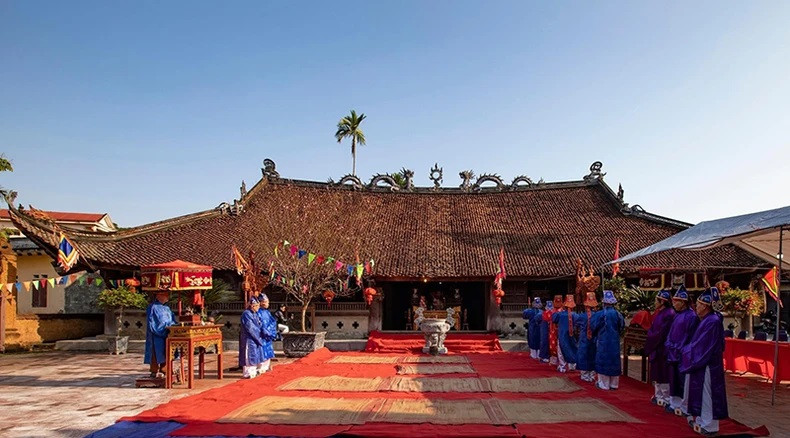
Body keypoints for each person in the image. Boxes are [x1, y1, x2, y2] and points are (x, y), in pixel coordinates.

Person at [680, 289, 728, 436]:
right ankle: (701, 420)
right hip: (702, 361)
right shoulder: (707, 320)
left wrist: (688, 352)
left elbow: (703, 345)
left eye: (699, 305)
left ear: (706, 306)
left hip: (707, 364)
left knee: (707, 393)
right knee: (700, 393)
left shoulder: (712, 321)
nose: (696, 307)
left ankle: (709, 425)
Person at [665, 287, 699, 417]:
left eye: (676, 301)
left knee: (683, 381)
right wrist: (668, 344)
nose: (673, 304)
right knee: (674, 379)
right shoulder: (677, 315)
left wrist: (680, 348)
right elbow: (671, 333)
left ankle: (684, 405)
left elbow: (690, 336)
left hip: (682, 353)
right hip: (673, 351)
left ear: (683, 302)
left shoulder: (692, 317)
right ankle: (674, 403)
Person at [644, 289, 676, 407]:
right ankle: (658, 395)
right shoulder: (660, 313)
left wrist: (651, 339)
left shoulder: (669, 313)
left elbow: (661, 332)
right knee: (657, 371)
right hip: (657, 346)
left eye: (656, 300)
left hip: (662, 347)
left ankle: (665, 397)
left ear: (662, 301)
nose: (654, 302)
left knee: (663, 372)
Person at [592, 290, 624, 390]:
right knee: (614, 360)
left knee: (603, 360)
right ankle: (614, 384)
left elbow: (594, 326)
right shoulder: (618, 314)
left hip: (603, 341)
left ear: (604, 302)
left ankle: (603, 384)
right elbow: (621, 326)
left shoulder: (600, 314)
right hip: (614, 341)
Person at [144, 291, 177, 378]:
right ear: (159, 296)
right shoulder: (153, 307)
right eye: (165, 295)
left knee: (166, 351)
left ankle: (165, 369)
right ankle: (154, 371)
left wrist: (173, 326)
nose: (167, 298)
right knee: (155, 353)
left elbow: (172, 319)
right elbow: (153, 321)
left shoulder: (167, 308)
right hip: (156, 334)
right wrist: (163, 327)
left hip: (167, 333)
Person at [574, 292, 599, 382]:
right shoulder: (598, 316)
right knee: (593, 354)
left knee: (583, 354)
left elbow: (576, 325)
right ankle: (592, 375)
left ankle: (584, 375)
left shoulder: (582, 316)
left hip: (584, 338)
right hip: (594, 338)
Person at [239, 297, 265, 378]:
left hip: (256, 338)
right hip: (249, 338)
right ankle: (248, 373)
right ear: (252, 306)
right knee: (249, 355)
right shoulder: (246, 314)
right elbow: (250, 328)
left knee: (256, 354)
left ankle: (254, 371)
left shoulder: (255, 314)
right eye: (256, 305)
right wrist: (257, 336)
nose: (258, 307)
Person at [552, 295, 578, 373]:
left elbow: (554, 319)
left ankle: (562, 367)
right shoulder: (576, 315)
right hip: (572, 335)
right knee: (572, 348)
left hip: (562, 335)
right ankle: (572, 366)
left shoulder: (560, 314)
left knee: (561, 350)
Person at [256, 294, 278, 375]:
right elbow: (260, 324)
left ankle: (266, 366)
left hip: (268, 335)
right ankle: (260, 367)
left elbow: (272, 321)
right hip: (262, 335)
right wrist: (266, 331)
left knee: (268, 350)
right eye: (266, 302)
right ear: (261, 302)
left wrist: (271, 331)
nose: (268, 303)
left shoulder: (267, 312)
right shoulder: (258, 312)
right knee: (262, 351)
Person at [543, 295, 563, 365]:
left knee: (554, 344)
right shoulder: (563, 311)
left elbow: (546, 318)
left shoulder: (552, 311)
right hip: (560, 331)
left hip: (554, 331)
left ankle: (555, 361)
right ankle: (561, 362)